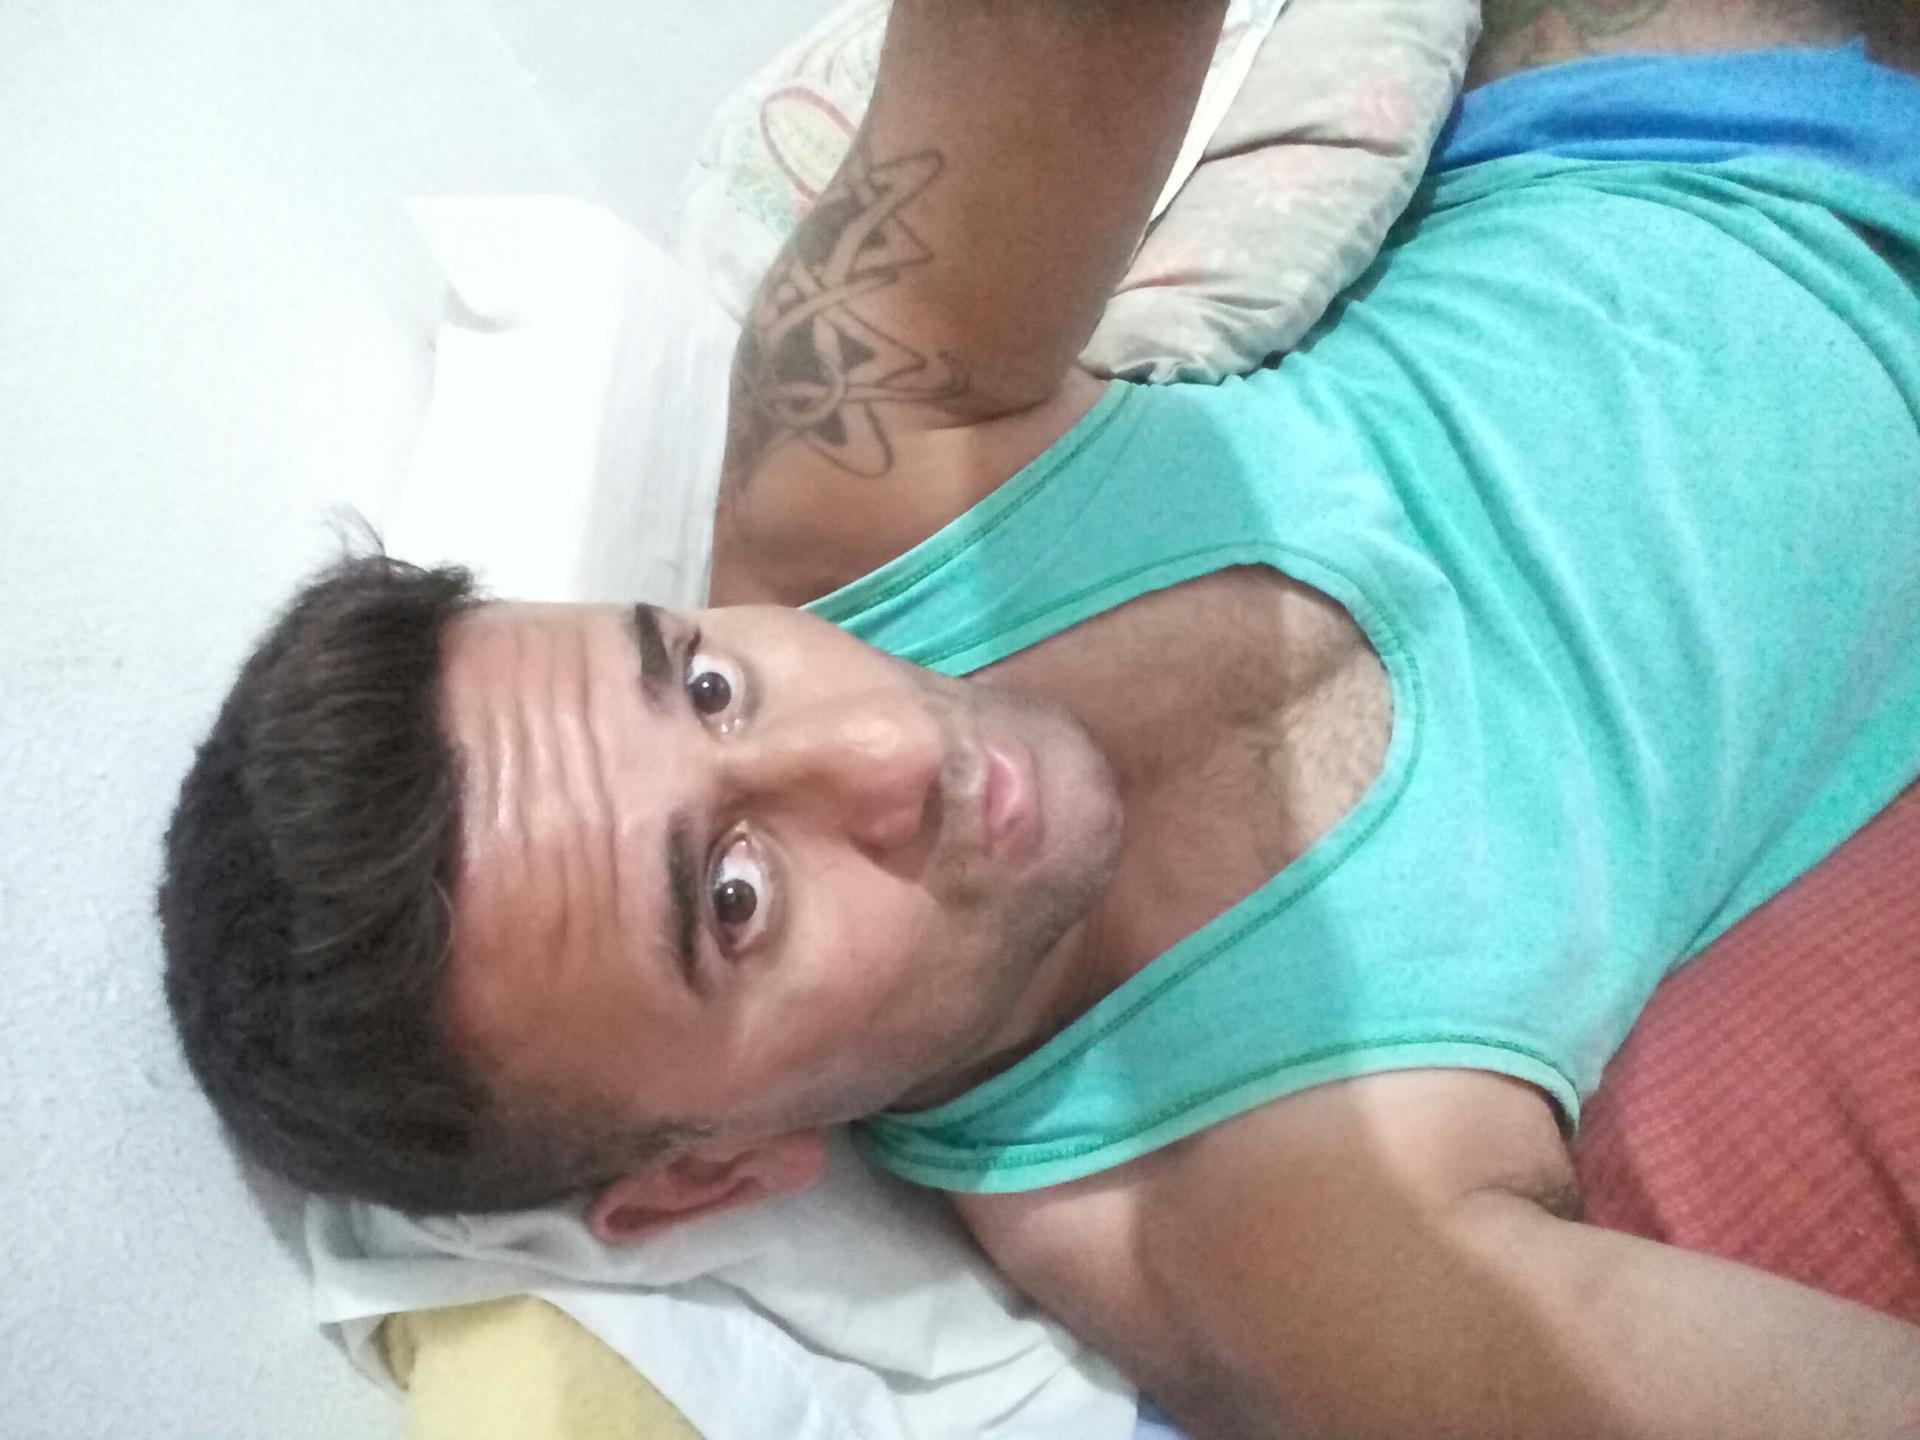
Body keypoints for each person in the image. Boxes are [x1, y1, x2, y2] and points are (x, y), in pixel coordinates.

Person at [160, 2, 1920, 1435]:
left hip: (1660, 105)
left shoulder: (846, 484)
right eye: (736, 900)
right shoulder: (1239, 1232)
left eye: (701, 681)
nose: (892, 751)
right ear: (708, 1179)